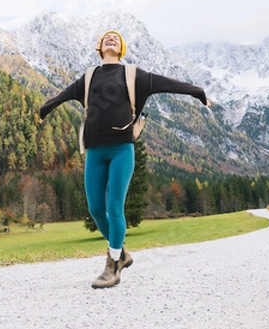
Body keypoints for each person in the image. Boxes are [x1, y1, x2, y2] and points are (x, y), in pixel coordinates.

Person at [39, 30, 210, 289]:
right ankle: (122, 253)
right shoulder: (88, 78)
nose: (111, 39)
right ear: (100, 47)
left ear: (121, 48)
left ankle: (113, 265)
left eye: (116, 38)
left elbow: (168, 83)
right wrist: (44, 110)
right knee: (96, 209)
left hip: (122, 149)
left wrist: (198, 92)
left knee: (115, 206)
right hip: (95, 151)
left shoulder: (133, 75)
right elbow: (62, 95)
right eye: (107, 37)